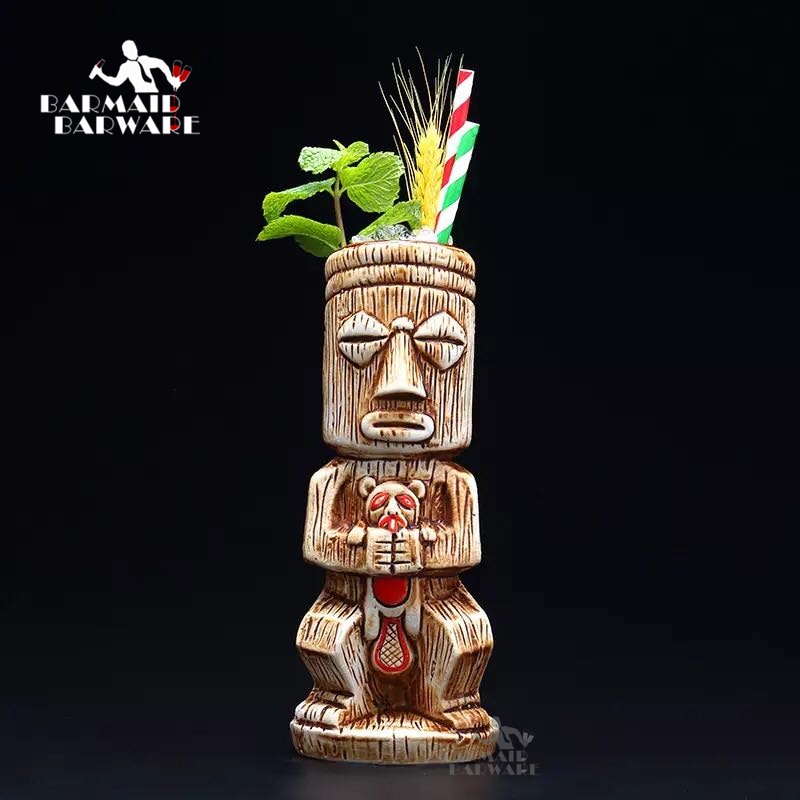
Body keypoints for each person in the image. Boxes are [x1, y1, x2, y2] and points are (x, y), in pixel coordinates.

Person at [90, 40, 180, 93]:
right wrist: (100, 74)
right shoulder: (126, 67)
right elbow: (116, 82)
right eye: (129, 50)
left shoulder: (144, 59)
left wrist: (170, 79)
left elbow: (161, 63)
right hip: (141, 96)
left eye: (133, 47)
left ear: (136, 48)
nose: (133, 50)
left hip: (155, 93)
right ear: (124, 54)